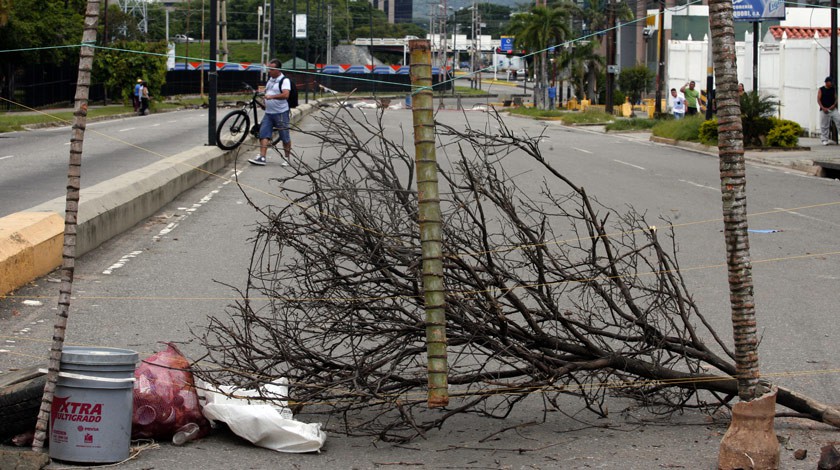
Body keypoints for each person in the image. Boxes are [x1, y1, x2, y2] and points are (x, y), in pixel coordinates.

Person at [248, 58, 293, 166]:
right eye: (269, 69)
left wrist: (271, 97)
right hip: (269, 112)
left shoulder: (284, 80)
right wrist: (264, 102)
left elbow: (286, 95)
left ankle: (287, 158)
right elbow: (266, 93)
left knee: (284, 136)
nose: (269, 71)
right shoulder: (270, 80)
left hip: (281, 112)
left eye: (271, 69)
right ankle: (262, 157)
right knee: (263, 134)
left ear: (278, 70)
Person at [817, 76, 840, 145]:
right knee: (824, 125)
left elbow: (836, 98)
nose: (831, 84)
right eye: (830, 82)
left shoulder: (833, 89)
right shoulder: (821, 89)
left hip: (832, 109)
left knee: (838, 121)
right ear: (826, 82)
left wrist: (834, 105)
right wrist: (822, 107)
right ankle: (824, 140)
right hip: (824, 109)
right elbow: (818, 99)